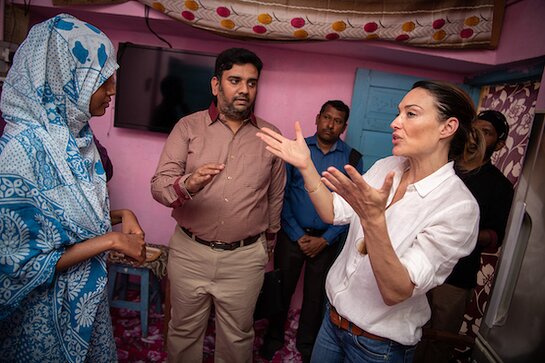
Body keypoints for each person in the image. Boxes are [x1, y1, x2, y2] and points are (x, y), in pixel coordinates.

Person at [257, 80, 483, 363]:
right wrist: (306, 166)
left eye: (410, 114)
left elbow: (396, 290)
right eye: (398, 112)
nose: (394, 123)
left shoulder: (457, 207)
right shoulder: (387, 167)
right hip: (333, 323)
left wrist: (374, 220)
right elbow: (332, 211)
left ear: (447, 128)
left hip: (378, 347)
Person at [0, 14, 146, 362]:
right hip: (41, 319)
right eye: (101, 79)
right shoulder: (22, 149)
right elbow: (19, 264)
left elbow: (62, 223)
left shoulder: (76, 138)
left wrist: (122, 215)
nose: (112, 90)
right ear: (64, 77)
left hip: (86, 307)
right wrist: (111, 240)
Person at [150, 47, 286, 363]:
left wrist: (268, 244)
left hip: (245, 258)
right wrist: (188, 184)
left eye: (251, 83)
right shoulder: (188, 126)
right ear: (216, 85)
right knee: (182, 332)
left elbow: (275, 195)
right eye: (235, 80)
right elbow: (158, 186)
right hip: (189, 253)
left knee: (238, 338)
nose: (244, 90)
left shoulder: (271, 136)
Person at [260, 100, 363, 362]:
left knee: (316, 297)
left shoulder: (352, 158)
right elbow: (279, 195)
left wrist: (325, 240)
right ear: (317, 118)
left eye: (337, 120)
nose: (330, 124)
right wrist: (296, 235)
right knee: (281, 289)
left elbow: (352, 206)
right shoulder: (297, 151)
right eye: (326, 117)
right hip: (292, 235)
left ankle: (307, 345)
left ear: (344, 126)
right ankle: (273, 338)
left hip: (327, 242)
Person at [415, 110, 514, 363]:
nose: (476, 136)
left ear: (500, 144)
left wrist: (460, 231)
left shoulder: (499, 186)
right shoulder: (443, 169)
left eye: (487, 132)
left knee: (440, 342)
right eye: (474, 128)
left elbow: (496, 238)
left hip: (456, 279)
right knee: (408, 333)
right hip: (418, 265)